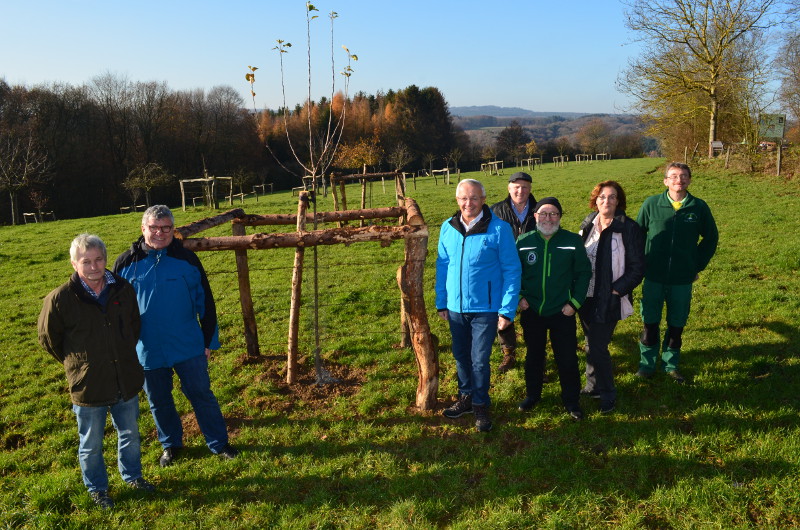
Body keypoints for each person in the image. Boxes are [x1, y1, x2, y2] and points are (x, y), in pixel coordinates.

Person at [113, 205, 239, 466]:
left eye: (166, 228)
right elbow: (116, 310)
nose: (160, 233)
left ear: (173, 229)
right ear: (143, 229)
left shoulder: (187, 260)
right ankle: (171, 444)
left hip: (187, 344)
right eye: (154, 228)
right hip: (146, 348)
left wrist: (207, 341)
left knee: (201, 393)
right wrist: (124, 348)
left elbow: (206, 302)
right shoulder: (125, 264)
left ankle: (218, 442)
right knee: (159, 400)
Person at [38, 234, 155, 509]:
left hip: (124, 376)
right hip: (88, 383)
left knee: (130, 434)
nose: (94, 267)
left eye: (99, 259)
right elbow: (48, 339)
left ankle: (133, 476)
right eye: (86, 261)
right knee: (90, 443)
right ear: (73, 263)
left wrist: (121, 353)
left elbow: (134, 325)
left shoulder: (123, 288)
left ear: (105, 258)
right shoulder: (60, 299)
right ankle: (98, 489)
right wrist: (79, 365)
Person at [436, 179, 521, 432]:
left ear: (483, 199)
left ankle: (481, 404)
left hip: (486, 307)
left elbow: (512, 269)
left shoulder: (499, 229)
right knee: (461, 356)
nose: (468, 203)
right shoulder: (448, 227)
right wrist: (442, 301)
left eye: (474, 198)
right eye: (463, 198)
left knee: (479, 360)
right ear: (457, 200)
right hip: (455, 307)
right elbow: (442, 266)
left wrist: (507, 309)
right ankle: (466, 398)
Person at [635, 162, 718, 383]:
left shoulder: (698, 207)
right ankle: (646, 365)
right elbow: (636, 236)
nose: (678, 180)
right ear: (665, 181)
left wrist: (695, 265)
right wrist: (641, 263)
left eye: (683, 176)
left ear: (689, 180)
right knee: (650, 323)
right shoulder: (651, 204)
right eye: (673, 176)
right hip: (653, 276)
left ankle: (670, 365)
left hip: (682, 278)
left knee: (676, 325)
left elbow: (711, 238)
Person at [516, 197, 591, 420]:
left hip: (562, 311)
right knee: (534, 356)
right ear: (535, 216)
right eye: (544, 214)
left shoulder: (572, 241)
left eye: (554, 214)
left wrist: (574, 304)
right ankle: (532, 395)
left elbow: (583, 273)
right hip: (533, 310)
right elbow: (512, 272)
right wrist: (520, 297)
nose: (548, 218)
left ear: (560, 217)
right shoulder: (523, 241)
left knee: (566, 357)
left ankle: (571, 401)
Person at [577, 181, 645, 414]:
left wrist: (617, 290)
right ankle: (592, 385)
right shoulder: (587, 224)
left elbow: (637, 267)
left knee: (598, 346)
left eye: (612, 197)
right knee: (591, 343)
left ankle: (608, 393)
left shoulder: (628, 228)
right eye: (602, 197)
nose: (607, 201)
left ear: (619, 201)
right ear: (595, 200)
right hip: (585, 296)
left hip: (609, 297)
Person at [490, 171, 537, 373]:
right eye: (516, 187)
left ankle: (536, 356)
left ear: (530, 189)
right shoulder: (495, 211)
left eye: (524, 187)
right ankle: (508, 353)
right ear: (509, 188)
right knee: (504, 310)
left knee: (532, 313)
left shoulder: (539, 210)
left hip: (532, 269)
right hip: (503, 268)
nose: (520, 190)